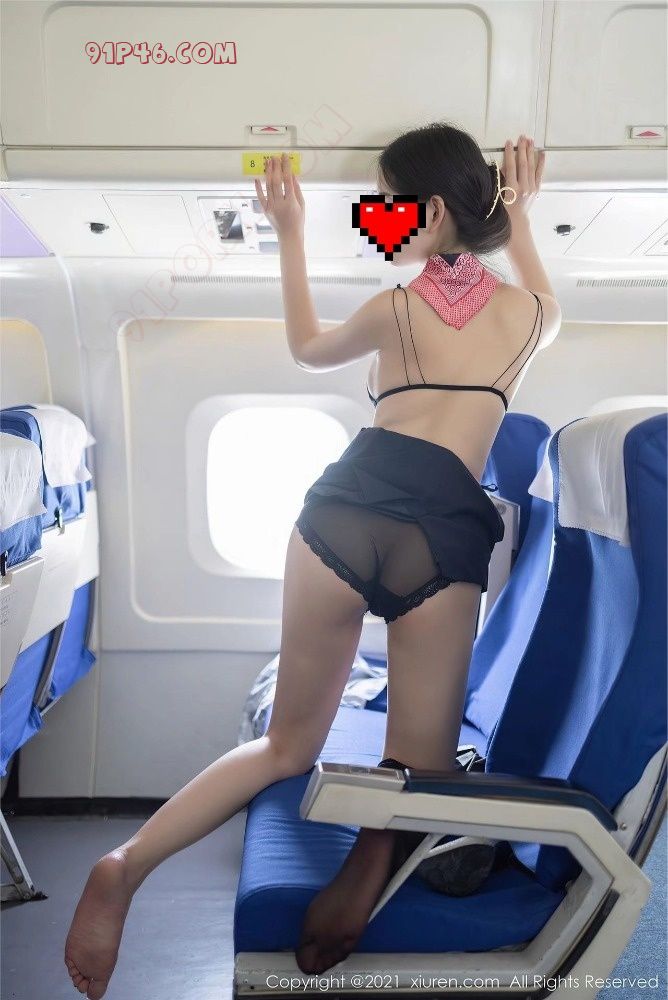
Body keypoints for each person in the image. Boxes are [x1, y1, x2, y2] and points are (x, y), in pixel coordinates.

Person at [64, 126, 561, 995]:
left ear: (428, 210)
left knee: (286, 746)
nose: (382, 219)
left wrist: (290, 231)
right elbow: (535, 288)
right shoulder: (529, 318)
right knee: (419, 773)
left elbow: (305, 346)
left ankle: (125, 865)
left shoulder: (393, 306)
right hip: (442, 529)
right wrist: (518, 213)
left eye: (391, 204)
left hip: (343, 507)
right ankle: (373, 855)